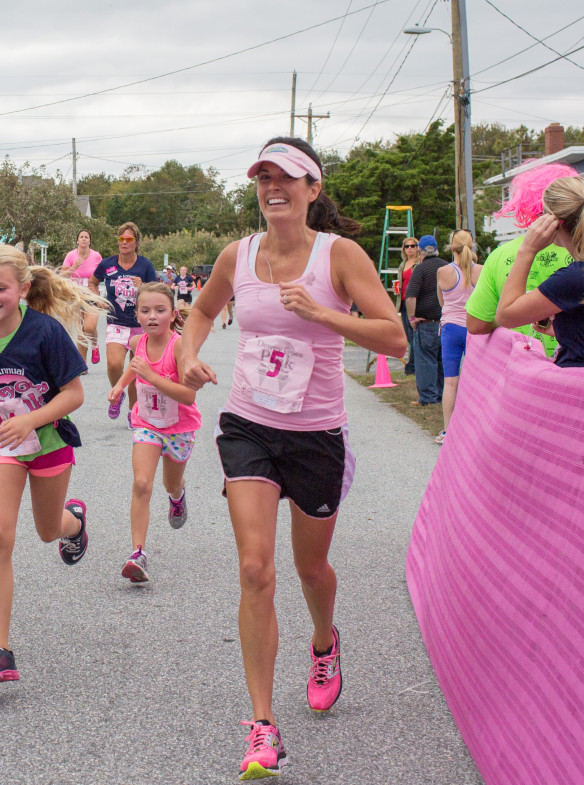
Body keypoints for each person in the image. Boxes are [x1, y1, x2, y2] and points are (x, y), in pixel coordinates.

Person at [178, 138, 405, 780]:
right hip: (249, 424)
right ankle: (261, 726)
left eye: (287, 178)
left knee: (311, 569)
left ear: (312, 189)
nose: (273, 187)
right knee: (255, 568)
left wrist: (323, 315)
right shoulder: (238, 255)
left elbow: (394, 337)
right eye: (264, 178)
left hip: (315, 436)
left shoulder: (341, 257)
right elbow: (201, 309)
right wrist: (191, 350)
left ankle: (325, 643)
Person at [0, 244, 105, 682]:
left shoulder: (45, 332)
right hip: (4, 446)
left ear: (23, 288)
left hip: (49, 442)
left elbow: (74, 395)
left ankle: (74, 524)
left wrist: (29, 417)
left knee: (48, 531)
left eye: (1, 289)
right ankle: (0, 649)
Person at [106, 282, 202, 583]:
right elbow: (134, 366)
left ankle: (177, 495)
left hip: (179, 427)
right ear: (137, 315)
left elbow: (188, 396)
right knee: (142, 482)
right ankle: (137, 552)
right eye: (145, 310)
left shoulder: (179, 347)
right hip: (146, 422)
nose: (152, 316)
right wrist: (121, 386)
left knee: (168, 482)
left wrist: (151, 376)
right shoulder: (138, 343)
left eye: (160, 310)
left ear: (173, 314)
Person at [466, 164, 578, 356]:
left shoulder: (502, 255)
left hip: (522, 366)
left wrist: (521, 316)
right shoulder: (574, 254)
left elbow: (476, 323)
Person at [497, 175, 584, 368]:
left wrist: (527, 250)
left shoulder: (574, 277)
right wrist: (565, 330)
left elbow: (505, 315)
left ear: (554, 222)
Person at [89, 222, 158, 422]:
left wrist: (143, 286)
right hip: (116, 322)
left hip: (139, 325)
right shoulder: (108, 264)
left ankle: (132, 412)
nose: (124, 243)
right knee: (113, 364)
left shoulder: (145, 265)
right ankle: (117, 393)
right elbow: (92, 282)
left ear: (136, 242)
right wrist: (98, 299)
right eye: (121, 239)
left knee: (136, 373)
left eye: (129, 239)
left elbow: (156, 292)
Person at [434, 230, 482, 444]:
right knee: (475, 382)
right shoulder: (481, 271)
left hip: (451, 328)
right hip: (474, 328)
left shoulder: (443, 271)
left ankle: (447, 431)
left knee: (450, 382)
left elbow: (442, 303)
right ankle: (475, 430)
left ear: (450, 247)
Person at [405, 235, 446, 407]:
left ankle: (428, 397)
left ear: (420, 251)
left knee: (425, 361)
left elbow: (411, 297)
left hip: (427, 323)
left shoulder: (420, 270)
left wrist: (412, 317)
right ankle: (442, 395)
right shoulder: (447, 267)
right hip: (445, 322)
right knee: (442, 361)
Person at [61, 229, 104, 365]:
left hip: (92, 294)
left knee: (89, 328)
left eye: (86, 237)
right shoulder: (71, 255)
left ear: (90, 241)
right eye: (81, 237)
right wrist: (74, 267)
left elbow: (104, 274)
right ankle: (82, 365)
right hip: (76, 295)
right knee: (81, 331)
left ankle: (95, 345)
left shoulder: (96, 256)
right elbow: (62, 276)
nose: (84, 239)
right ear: (77, 240)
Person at [395, 236, 421, 375]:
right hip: (403, 300)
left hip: (414, 301)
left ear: (417, 248)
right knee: (409, 335)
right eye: (407, 246)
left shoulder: (419, 263)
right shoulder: (403, 264)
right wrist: (397, 289)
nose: (410, 248)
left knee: (414, 335)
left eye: (413, 246)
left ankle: (413, 366)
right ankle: (413, 364)